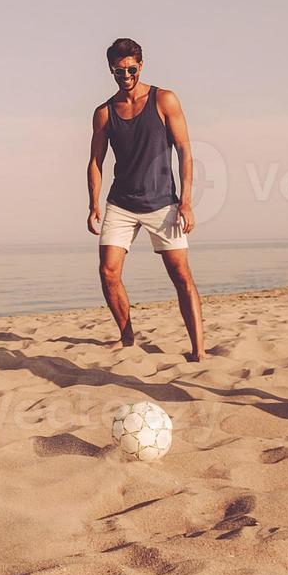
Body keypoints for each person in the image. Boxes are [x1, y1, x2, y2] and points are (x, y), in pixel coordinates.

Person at [87, 38, 204, 362]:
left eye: (131, 69)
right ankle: (127, 340)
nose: (126, 75)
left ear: (141, 65)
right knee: (108, 272)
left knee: (181, 275)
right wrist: (93, 204)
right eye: (118, 70)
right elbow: (95, 161)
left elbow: (185, 151)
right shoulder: (104, 113)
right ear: (110, 70)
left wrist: (187, 201)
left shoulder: (164, 99)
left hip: (163, 202)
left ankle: (198, 351)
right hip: (120, 204)